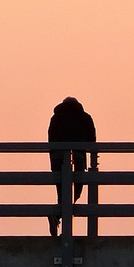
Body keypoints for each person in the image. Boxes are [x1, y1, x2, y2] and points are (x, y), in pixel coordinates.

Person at [46, 96, 96, 237]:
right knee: (77, 190)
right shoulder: (85, 117)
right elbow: (92, 139)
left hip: (57, 158)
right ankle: (60, 221)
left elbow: (50, 139)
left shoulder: (56, 118)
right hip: (78, 156)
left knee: (61, 191)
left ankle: (58, 217)